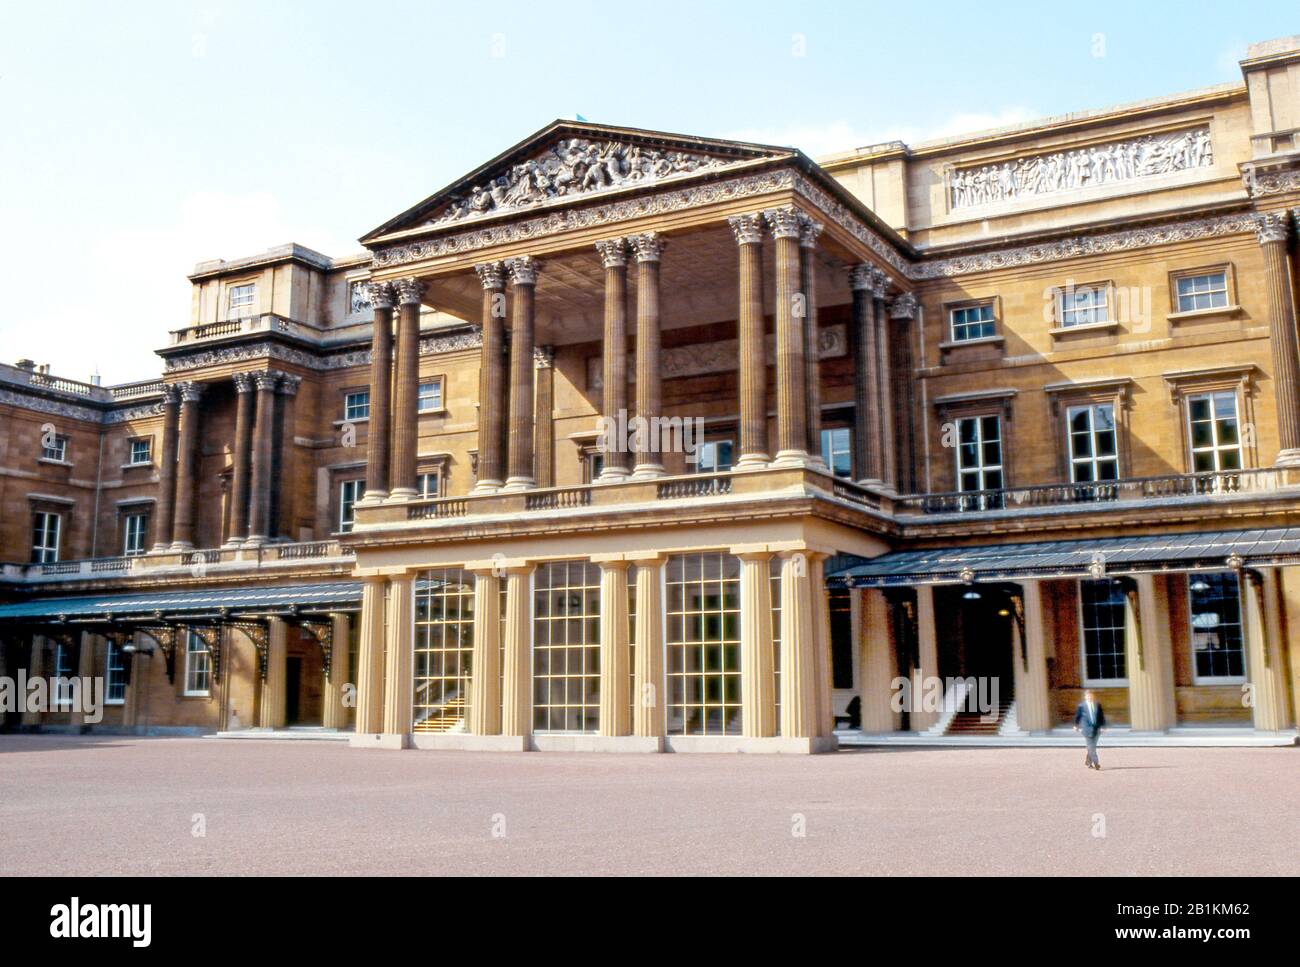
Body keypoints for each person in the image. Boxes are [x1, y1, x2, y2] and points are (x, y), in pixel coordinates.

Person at [1073, 690, 1106, 770]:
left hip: (1096, 729)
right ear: (1085, 697)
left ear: (1093, 696)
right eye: (1088, 696)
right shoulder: (1081, 706)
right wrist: (1076, 725)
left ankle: (1088, 761)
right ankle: (1096, 763)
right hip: (1086, 729)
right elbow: (1078, 716)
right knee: (1091, 747)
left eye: (1091, 696)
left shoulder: (1097, 705)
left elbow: (1101, 716)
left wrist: (1103, 726)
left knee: (1092, 746)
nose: (1089, 697)